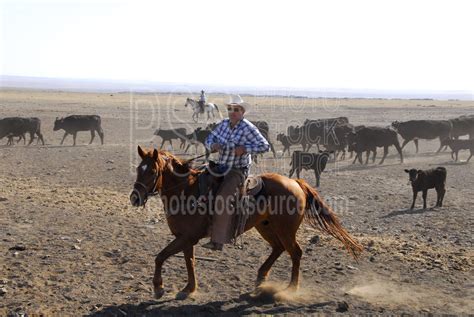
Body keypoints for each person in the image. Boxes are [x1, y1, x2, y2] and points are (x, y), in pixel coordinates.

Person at [202, 94, 270, 251]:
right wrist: (213, 145)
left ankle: (217, 240)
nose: (233, 112)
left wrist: (246, 149)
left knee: (222, 199)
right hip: (220, 166)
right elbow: (208, 140)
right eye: (230, 109)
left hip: (237, 170)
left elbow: (265, 145)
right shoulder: (223, 124)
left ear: (242, 111)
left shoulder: (248, 128)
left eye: (236, 109)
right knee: (197, 183)